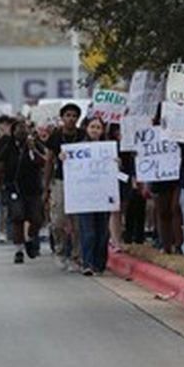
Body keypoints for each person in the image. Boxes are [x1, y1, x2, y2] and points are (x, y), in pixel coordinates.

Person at [72, 116, 116, 276]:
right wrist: (65, 158)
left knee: (102, 231)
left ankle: (99, 264)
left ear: (102, 130)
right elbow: (71, 168)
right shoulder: (77, 148)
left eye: (98, 127)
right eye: (92, 127)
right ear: (86, 128)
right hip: (85, 197)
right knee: (88, 231)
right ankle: (87, 263)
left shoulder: (109, 149)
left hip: (103, 196)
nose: (95, 130)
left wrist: (117, 163)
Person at [44, 103, 86, 270]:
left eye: (74, 116)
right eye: (68, 115)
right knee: (58, 219)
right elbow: (49, 161)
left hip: (79, 181)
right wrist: (46, 186)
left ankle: (76, 256)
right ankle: (60, 250)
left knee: (77, 222)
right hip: (60, 180)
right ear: (62, 118)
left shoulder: (83, 135)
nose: (71, 119)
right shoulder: (55, 136)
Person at [0, 119, 46, 264]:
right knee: (17, 217)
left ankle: (30, 238)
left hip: (33, 189)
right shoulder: (8, 147)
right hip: (14, 189)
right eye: (18, 129)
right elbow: (0, 165)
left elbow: (44, 162)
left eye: (24, 129)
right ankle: (19, 250)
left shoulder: (35, 144)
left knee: (37, 219)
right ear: (13, 132)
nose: (22, 132)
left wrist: (33, 149)